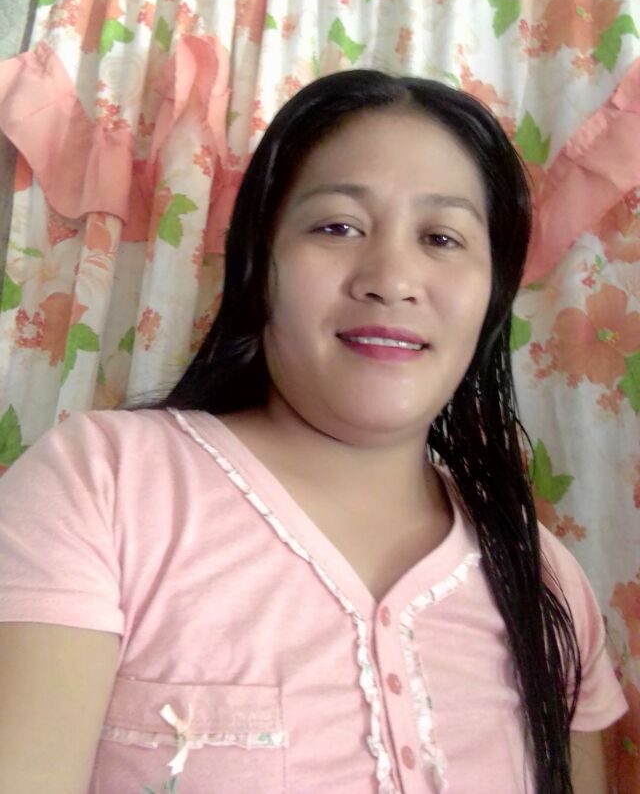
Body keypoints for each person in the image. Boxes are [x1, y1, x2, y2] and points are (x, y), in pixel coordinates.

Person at [0, 70, 628, 794]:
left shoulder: (545, 578)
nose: (391, 277)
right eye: (337, 227)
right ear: (259, 262)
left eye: (442, 237)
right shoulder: (101, 484)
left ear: (492, 295)